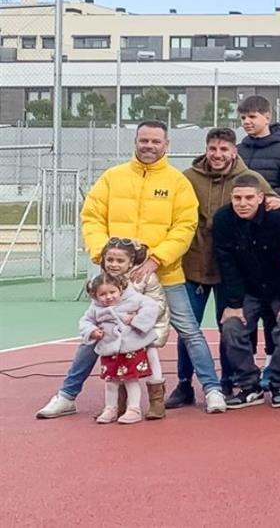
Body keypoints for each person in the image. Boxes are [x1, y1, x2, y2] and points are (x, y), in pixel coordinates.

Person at [48, 121, 226, 417]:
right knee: (96, 332)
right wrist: (104, 255)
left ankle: (212, 390)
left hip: (166, 275)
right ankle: (67, 395)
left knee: (190, 331)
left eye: (156, 141)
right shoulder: (112, 178)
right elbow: (91, 217)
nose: (149, 146)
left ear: (166, 145)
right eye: (144, 140)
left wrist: (157, 259)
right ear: (135, 142)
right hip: (114, 281)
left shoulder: (177, 182)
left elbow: (185, 226)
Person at [170, 127, 280, 408]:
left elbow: (272, 200)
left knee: (229, 326)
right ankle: (184, 384)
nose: (217, 155)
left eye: (224, 150)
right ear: (206, 149)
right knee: (188, 329)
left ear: (234, 151)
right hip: (194, 265)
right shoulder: (188, 178)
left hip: (230, 270)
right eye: (213, 149)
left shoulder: (249, 178)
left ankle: (228, 381)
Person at [213, 175, 280, 409]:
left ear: (261, 198)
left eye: (249, 198)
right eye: (238, 198)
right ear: (231, 198)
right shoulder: (222, 220)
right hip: (247, 290)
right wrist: (233, 304)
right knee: (231, 327)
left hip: (279, 289)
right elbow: (226, 264)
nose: (243, 203)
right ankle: (250, 386)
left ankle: (279, 383)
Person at [96, 239, 169, 419]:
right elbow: (96, 307)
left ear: (131, 262)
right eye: (110, 260)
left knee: (151, 356)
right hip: (119, 332)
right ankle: (119, 404)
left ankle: (156, 402)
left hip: (146, 328)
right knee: (117, 361)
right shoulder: (103, 280)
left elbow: (157, 304)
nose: (114, 265)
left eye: (120, 261)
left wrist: (136, 319)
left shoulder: (145, 277)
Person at [79, 273, 159, 424]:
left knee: (131, 380)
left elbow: (151, 306)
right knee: (110, 381)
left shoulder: (133, 299)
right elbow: (85, 321)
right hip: (109, 349)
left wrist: (136, 320)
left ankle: (133, 409)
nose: (108, 297)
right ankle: (111, 408)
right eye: (102, 294)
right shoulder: (96, 308)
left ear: (120, 289)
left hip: (131, 348)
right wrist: (91, 331)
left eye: (112, 292)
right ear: (95, 296)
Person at [236, 95, 280, 196]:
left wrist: (264, 196)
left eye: (252, 117)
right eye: (243, 118)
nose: (246, 121)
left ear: (267, 118)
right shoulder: (237, 151)